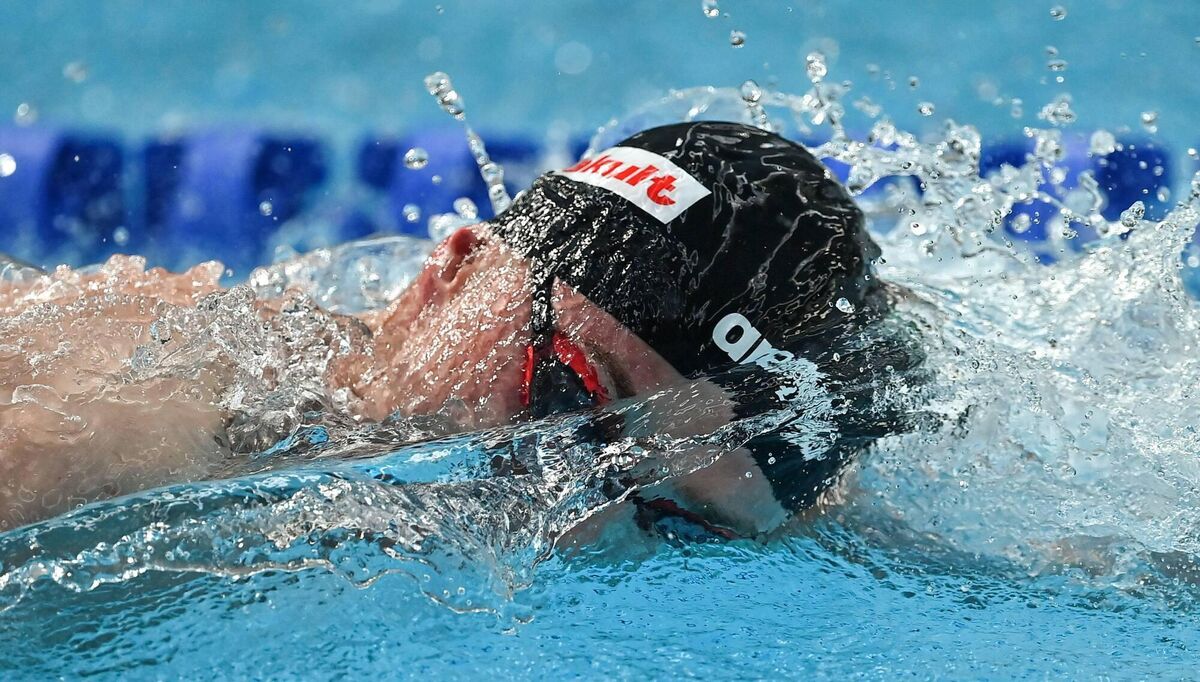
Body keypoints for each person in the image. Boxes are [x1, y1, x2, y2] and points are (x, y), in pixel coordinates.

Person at [0, 121, 918, 535]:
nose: (576, 517)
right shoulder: (130, 407)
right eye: (565, 394)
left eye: (673, 517)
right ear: (452, 268)